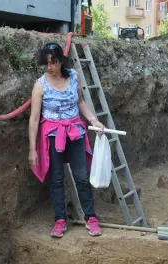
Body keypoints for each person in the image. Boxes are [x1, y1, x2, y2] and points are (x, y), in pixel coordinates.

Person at [28, 42, 107, 238]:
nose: (49, 67)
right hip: (53, 135)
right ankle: (60, 220)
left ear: (61, 61)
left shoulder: (73, 76)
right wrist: (32, 149)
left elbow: (79, 101)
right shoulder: (40, 85)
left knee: (81, 176)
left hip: (74, 132)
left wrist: (93, 120)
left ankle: (91, 218)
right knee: (56, 179)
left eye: (53, 62)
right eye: (46, 63)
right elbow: (34, 118)